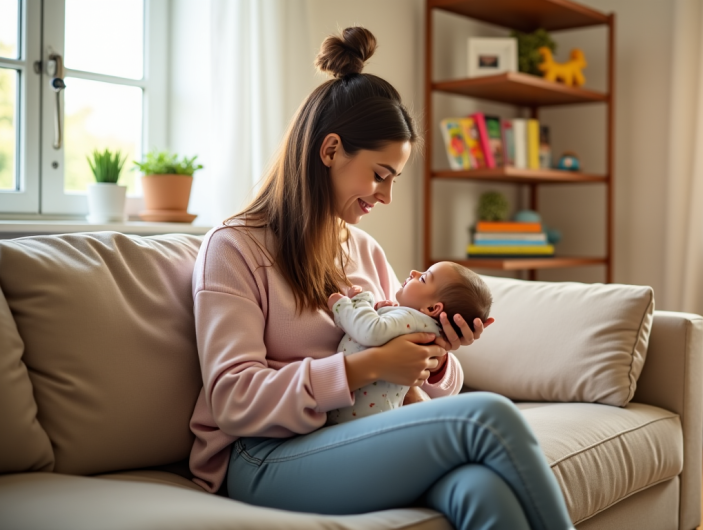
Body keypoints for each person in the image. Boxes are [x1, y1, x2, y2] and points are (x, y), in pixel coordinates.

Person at [188, 25, 575, 530]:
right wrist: (365, 367)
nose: (386, 196)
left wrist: (436, 356)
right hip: (263, 455)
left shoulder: (364, 250)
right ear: (330, 150)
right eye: (379, 175)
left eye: (393, 179)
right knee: (490, 415)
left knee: (480, 488)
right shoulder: (234, 248)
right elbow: (233, 400)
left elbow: (419, 387)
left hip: (357, 435)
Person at [326, 261, 493, 424]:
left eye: (423, 278)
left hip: (357, 419)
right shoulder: (421, 325)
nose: (414, 272)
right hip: (366, 416)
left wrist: (354, 303)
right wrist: (381, 311)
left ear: (432, 309)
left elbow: (370, 332)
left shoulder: (410, 318)